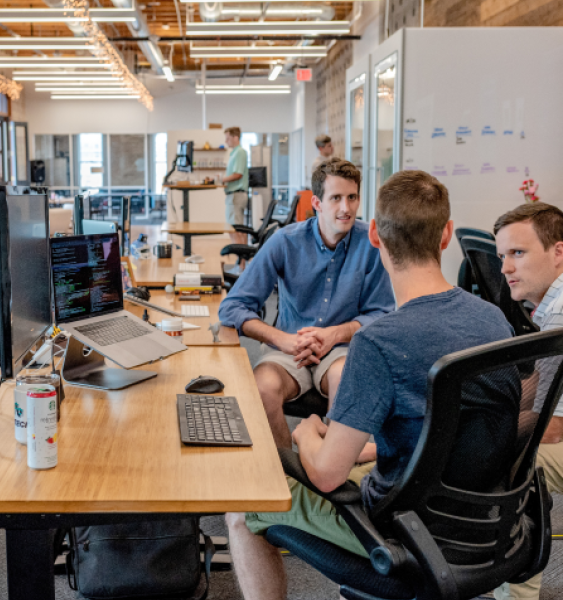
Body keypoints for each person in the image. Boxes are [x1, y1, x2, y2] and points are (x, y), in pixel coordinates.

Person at [225, 169, 519, 600]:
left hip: (401, 533)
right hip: (486, 523)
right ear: (446, 236)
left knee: (240, 508)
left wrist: (307, 434)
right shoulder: (493, 318)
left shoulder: (377, 344)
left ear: (376, 234)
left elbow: (326, 476)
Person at [219, 158, 394, 448]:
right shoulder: (284, 242)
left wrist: (335, 334)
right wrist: (282, 340)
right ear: (317, 202)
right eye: (336, 198)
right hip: (288, 348)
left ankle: (330, 472)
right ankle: (289, 475)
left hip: (341, 349)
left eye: (352, 198)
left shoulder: (372, 244)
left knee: (347, 384)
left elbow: (383, 313)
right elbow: (232, 307)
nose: (346, 208)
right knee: (262, 389)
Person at [493, 202, 563, 600]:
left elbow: (550, 427)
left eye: (517, 253)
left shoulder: (560, 313)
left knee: (518, 465)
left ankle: (516, 595)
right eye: (503, 255)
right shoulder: (551, 305)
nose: (504, 268)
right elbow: (537, 389)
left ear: (558, 252)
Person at [222, 127, 249, 246]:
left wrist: (221, 179)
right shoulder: (234, 153)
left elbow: (238, 174)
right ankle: (242, 261)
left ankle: (242, 263)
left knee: (236, 230)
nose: (226, 141)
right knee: (236, 229)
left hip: (236, 195)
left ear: (235, 137)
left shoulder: (240, 152)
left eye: (228, 138)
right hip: (233, 195)